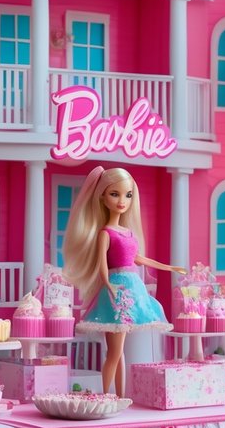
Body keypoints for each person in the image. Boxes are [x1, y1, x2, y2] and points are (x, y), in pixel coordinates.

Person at [62, 165, 185, 396]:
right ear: (102, 196)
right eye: (114, 194)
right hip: (117, 290)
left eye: (127, 195)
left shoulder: (127, 232)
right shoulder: (105, 233)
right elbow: (101, 266)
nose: (122, 201)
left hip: (131, 287)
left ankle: (119, 395)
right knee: (114, 351)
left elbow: (137, 258)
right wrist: (108, 286)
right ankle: (107, 395)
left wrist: (168, 267)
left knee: (119, 351)